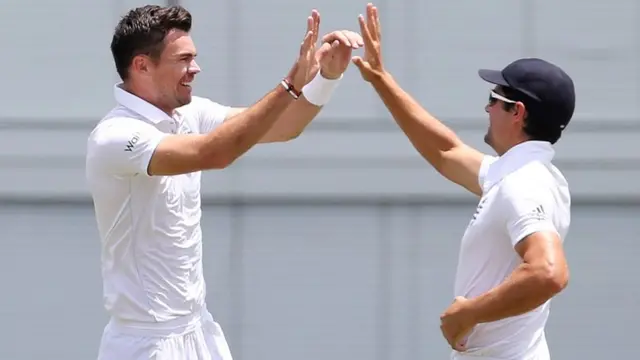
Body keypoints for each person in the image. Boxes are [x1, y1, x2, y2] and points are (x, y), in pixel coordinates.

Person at [85, 5, 363, 360]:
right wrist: (290, 84)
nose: (195, 69)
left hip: (200, 330)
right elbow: (215, 153)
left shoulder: (190, 112)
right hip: (144, 344)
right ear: (142, 65)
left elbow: (282, 126)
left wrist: (325, 77)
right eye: (183, 59)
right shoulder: (114, 136)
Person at [352, 3, 574, 359]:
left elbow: (549, 272)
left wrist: (468, 313)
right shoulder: (525, 174)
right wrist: (381, 78)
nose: (486, 108)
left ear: (518, 113)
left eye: (494, 99)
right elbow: (445, 151)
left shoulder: (524, 183)